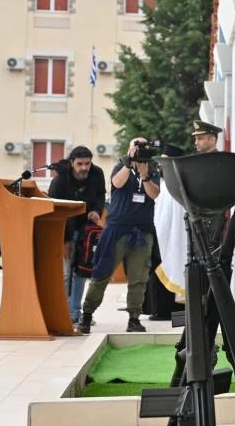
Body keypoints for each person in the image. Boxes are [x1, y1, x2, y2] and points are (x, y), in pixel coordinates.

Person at [77, 137, 159, 334]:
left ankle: (134, 318)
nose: (139, 150)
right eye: (136, 146)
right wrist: (130, 164)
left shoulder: (153, 169)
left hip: (142, 230)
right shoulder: (120, 167)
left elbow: (154, 194)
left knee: (139, 277)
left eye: (142, 147)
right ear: (129, 149)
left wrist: (145, 175)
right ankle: (87, 314)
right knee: (102, 273)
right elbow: (117, 183)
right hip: (116, 229)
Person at [152, 120, 220, 310]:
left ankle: (207, 310)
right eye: (196, 139)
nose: (196, 142)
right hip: (197, 223)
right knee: (197, 271)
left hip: (211, 224)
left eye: (200, 138)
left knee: (209, 272)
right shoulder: (196, 162)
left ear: (212, 139)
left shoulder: (219, 162)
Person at [47, 146, 106, 324]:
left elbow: (101, 194)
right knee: (66, 274)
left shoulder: (97, 174)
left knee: (81, 272)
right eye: (79, 164)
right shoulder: (60, 181)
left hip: (86, 231)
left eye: (87, 163)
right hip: (65, 229)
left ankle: (75, 312)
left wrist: (96, 210)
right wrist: (64, 241)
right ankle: (62, 311)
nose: (84, 168)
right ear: (72, 163)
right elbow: (54, 211)